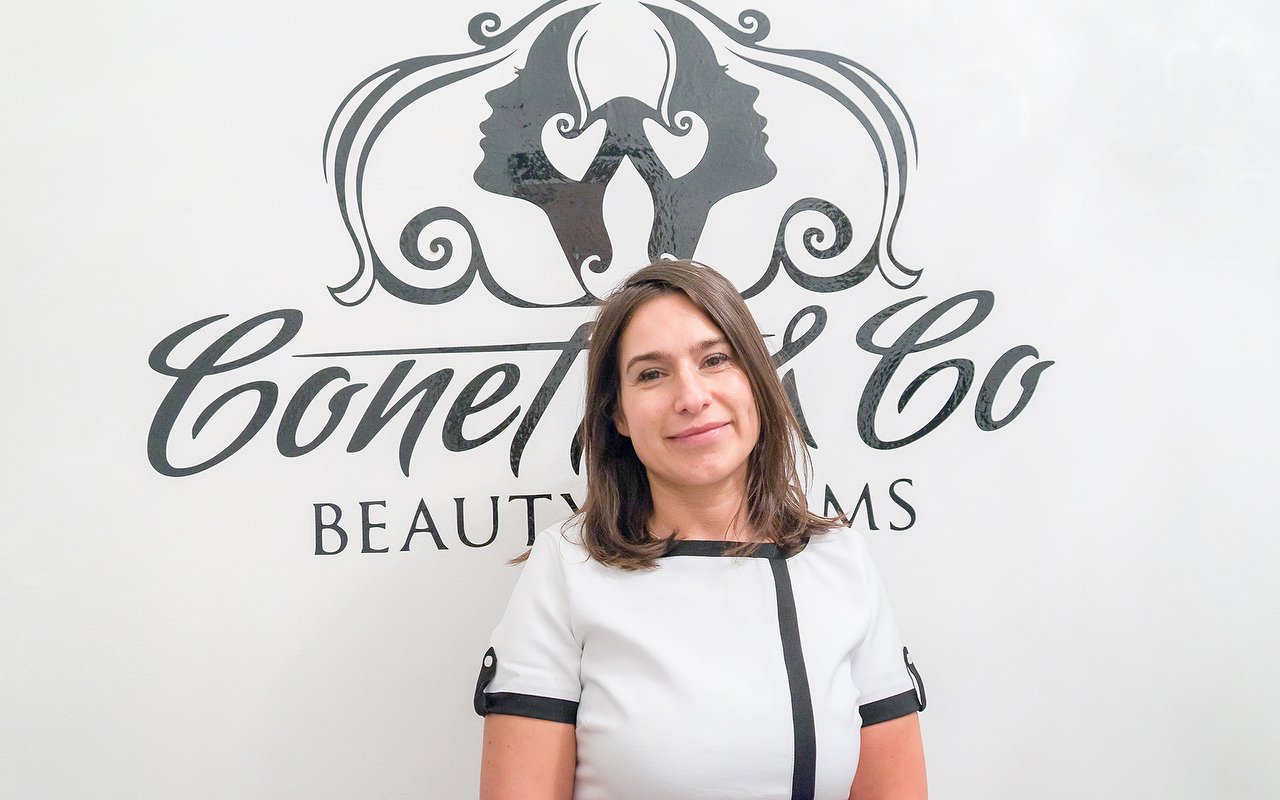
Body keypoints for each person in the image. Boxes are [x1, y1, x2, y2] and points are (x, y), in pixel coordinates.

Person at [474, 260, 927, 800]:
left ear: (756, 381)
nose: (691, 397)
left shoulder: (841, 561)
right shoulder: (567, 568)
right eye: (651, 374)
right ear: (618, 415)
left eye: (715, 360)